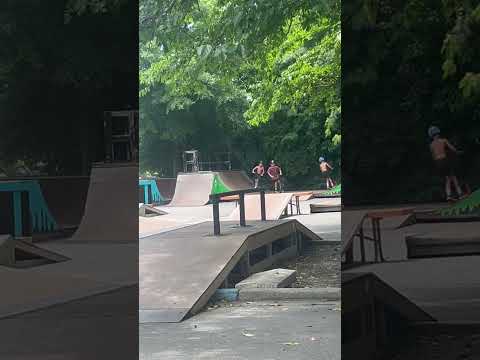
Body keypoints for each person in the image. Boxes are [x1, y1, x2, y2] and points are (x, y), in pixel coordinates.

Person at [428, 126, 465, 201]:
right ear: (438, 133)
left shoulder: (431, 145)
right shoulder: (443, 140)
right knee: (453, 178)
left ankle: (448, 195)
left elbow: (433, 155)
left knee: (447, 179)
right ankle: (460, 194)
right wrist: (458, 152)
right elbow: (452, 149)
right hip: (444, 160)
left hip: (438, 163)